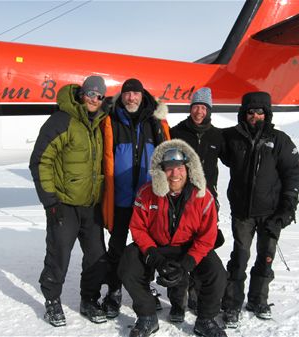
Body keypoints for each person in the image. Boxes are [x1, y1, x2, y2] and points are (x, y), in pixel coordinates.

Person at [118, 139, 227, 337]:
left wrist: (187, 263)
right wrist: (154, 256)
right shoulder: (146, 193)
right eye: (169, 168)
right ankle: (147, 317)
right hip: (156, 246)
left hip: (188, 248)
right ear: (161, 171)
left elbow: (207, 237)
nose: (175, 174)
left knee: (217, 273)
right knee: (128, 263)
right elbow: (138, 228)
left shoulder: (204, 196)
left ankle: (206, 320)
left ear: (188, 169)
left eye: (179, 168)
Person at [29, 75, 109, 326]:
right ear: (81, 94)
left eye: (99, 95)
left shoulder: (100, 123)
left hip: (91, 204)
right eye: (91, 93)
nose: (94, 99)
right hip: (64, 204)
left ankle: (89, 299)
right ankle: (52, 301)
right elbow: (41, 160)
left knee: (97, 256)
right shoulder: (62, 120)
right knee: (59, 253)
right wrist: (50, 202)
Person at [220, 91, 299, 328]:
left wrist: (288, 206)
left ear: (266, 114)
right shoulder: (232, 138)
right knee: (240, 258)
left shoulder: (280, 140)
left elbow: (293, 172)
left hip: (271, 213)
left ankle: (258, 300)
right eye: (250, 112)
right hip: (242, 213)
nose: (255, 116)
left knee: (265, 258)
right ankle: (232, 304)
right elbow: (208, 143)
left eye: (259, 112)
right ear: (243, 114)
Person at [100, 78, 170, 318]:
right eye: (127, 94)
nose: (131, 98)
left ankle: (145, 287)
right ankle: (114, 290)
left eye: (135, 94)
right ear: (122, 96)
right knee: (116, 246)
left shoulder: (155, 122)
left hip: (147, 201)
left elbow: (166, 156)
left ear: (142, 95)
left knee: (146, 246)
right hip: (120, 199)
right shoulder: (112, 120)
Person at [170, 87, 226, 313]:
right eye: (195, 107)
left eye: (203, 107)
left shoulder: (217, 136)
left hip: (207, 200)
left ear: (209, 110)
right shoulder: (176, 132)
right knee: (177, 245)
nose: (199, 111)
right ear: (190, 109)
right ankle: (177, 301)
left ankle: (196, 293)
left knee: (202, 245)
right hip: (179, 198)